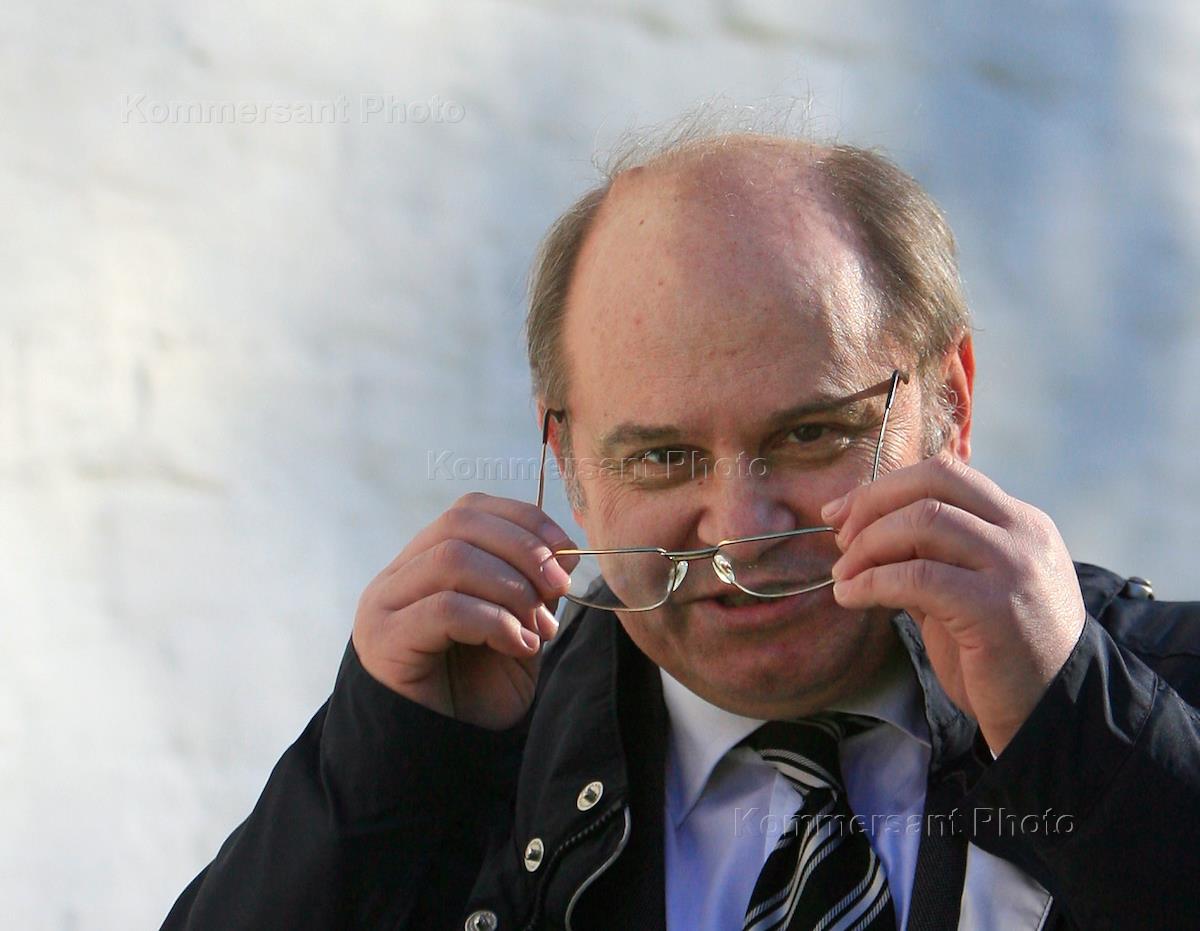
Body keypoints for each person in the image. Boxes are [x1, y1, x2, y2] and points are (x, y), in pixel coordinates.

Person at [162, 122, 1200, 931]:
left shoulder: (1162, 702)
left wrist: (1082, 737)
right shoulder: (460, 757)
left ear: (951, 403)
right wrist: (381, 785)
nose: (741, 533)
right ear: (570, 462)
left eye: (810, 434)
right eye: (663, 456)